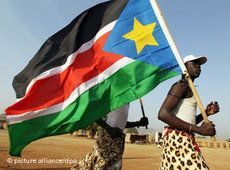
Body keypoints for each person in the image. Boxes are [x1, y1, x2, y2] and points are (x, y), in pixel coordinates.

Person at [158, 55, 220, 170]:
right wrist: (199, 130)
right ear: (184, 67)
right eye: (194, 63)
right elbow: (163, 114)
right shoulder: (181, 86)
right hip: (178, 140)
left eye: (199, 64)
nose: (198, 67)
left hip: (184, 138)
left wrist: (205, 113)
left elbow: (187, 121)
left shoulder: (189, 87)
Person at [71, 103, 148, 170]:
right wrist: (109, 129)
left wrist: (138, 123)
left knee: (112, 164)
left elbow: (121, 123)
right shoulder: (114, 96)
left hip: (118, 138)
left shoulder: (127, 100)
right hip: (108, 137)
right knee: (102, 162)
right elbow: (93, 113)